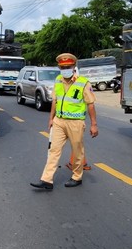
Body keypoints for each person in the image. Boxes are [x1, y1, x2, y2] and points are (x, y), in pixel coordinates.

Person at [31, 52, 99, 190]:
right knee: (53, 150)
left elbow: (90, 104)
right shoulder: (58, 80)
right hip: (59, 121)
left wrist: (94, 124)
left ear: (74, 66)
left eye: (67, 67)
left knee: (77, 151)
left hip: (76, 123)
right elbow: (55, 101)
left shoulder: (83, 83)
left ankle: (77, 177)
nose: (65, 70)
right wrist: (51, 119)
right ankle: (47, 180)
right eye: (62, 67)